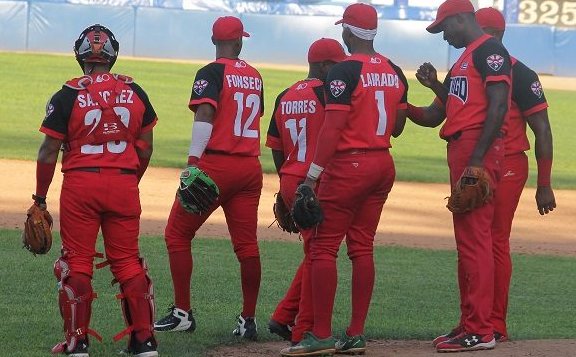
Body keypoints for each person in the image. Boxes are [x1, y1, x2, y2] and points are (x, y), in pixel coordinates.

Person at [281, 3, 408, 356]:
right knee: (362, 247)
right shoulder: (395, 70)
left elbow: (333, 128)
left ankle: (320, 334)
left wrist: (311, 177)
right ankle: (354, 333)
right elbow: (398, 125)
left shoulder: (343, 71)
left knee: (323, 248)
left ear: (349, 32)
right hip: (383, 163)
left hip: (349, 166)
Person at [35, 24, 158, 356]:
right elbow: (145, 148)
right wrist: (131, 180)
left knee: (75, 264)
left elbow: (48, 151)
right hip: (123, 183)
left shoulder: (67, 94)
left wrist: (40, 198)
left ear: (80, 54)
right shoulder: (136, 92)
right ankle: (144, 342)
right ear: (112, 55)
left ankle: (77, 343)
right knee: (130, 263)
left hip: (81, 185)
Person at [407, 0, 513, 352]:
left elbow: (498, 106)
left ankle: (481, 331)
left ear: (460, 19)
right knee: (467, 244)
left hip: (476, 150)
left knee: (476, 241)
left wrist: (478, 160)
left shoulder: (489, 51)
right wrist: (404, 103)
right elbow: (438, 115)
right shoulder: (463, 61)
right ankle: (470, 322)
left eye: (444, 28)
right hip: (462, 147)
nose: (443, 37)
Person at [153, 16, 264, 340]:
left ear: (214, 41)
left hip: (217, 165)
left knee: (176, 235)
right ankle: (248, 320)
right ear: (239, 42)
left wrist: (192, 162)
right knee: (247, 246)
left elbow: (205, 113)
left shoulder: (212, 72)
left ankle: (182, 313)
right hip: (249, 168)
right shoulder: (255, 76)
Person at [475, 7, 556, 341]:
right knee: (475, 242)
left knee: (494, 241)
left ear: (491, 35)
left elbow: (543, 130)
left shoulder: (521, 73)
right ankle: (474, 321)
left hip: (508, 163)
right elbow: (444, 113)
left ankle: (495, 323)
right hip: (475, 165)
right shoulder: (467, 67)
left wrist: (545, 185)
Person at [265, 38, 347, 346]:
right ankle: (303, 332)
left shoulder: (286, 95)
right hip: (316, 181)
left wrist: (286, 186)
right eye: (337, 65)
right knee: (320, 255)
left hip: (290, 177)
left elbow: (275, 146)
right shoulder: (327, 93)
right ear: (325, 65)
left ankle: (284, 316)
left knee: (314, 252)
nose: (342, 71)